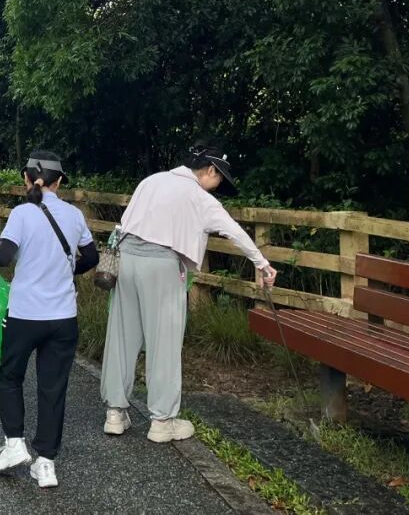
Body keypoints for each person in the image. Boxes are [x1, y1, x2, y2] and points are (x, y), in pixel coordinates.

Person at [100, 143, 277, 444]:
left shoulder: (151, 181)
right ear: (210, 170)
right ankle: (162, 421)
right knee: (164, 341)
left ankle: (114, 413)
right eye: (219, 179)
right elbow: (234, 231)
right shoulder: (200, 198)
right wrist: (261, 263)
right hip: (162, 265)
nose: (217, 187)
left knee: (122, 336)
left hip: (125, 260)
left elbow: (124, 225)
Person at [0, 150, 98, 489]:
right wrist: (66, 271)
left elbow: (5, 256)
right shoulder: (74, 215)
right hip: (63, 317)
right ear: (59, 181)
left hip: (25, 314)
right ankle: (46, 463)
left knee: (10, 376)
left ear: (26, 178)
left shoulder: (21, 213)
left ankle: (14, 445)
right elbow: (92, 257)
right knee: (53, 387)